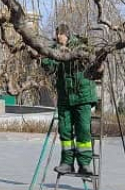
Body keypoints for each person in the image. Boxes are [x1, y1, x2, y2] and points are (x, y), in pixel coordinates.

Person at [41, 24, 98, 176]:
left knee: (83, 130)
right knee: (65, 131)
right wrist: (51, 55)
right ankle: (67, 163)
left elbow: (92, 60)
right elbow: (48, 66)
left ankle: (84, 164)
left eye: (59, 36)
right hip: (65, 97)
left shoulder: (81, 46)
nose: (57, 39)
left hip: (83, 96)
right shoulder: (55, 48)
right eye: (56, 37)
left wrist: (71, 53)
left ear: (65, 34)